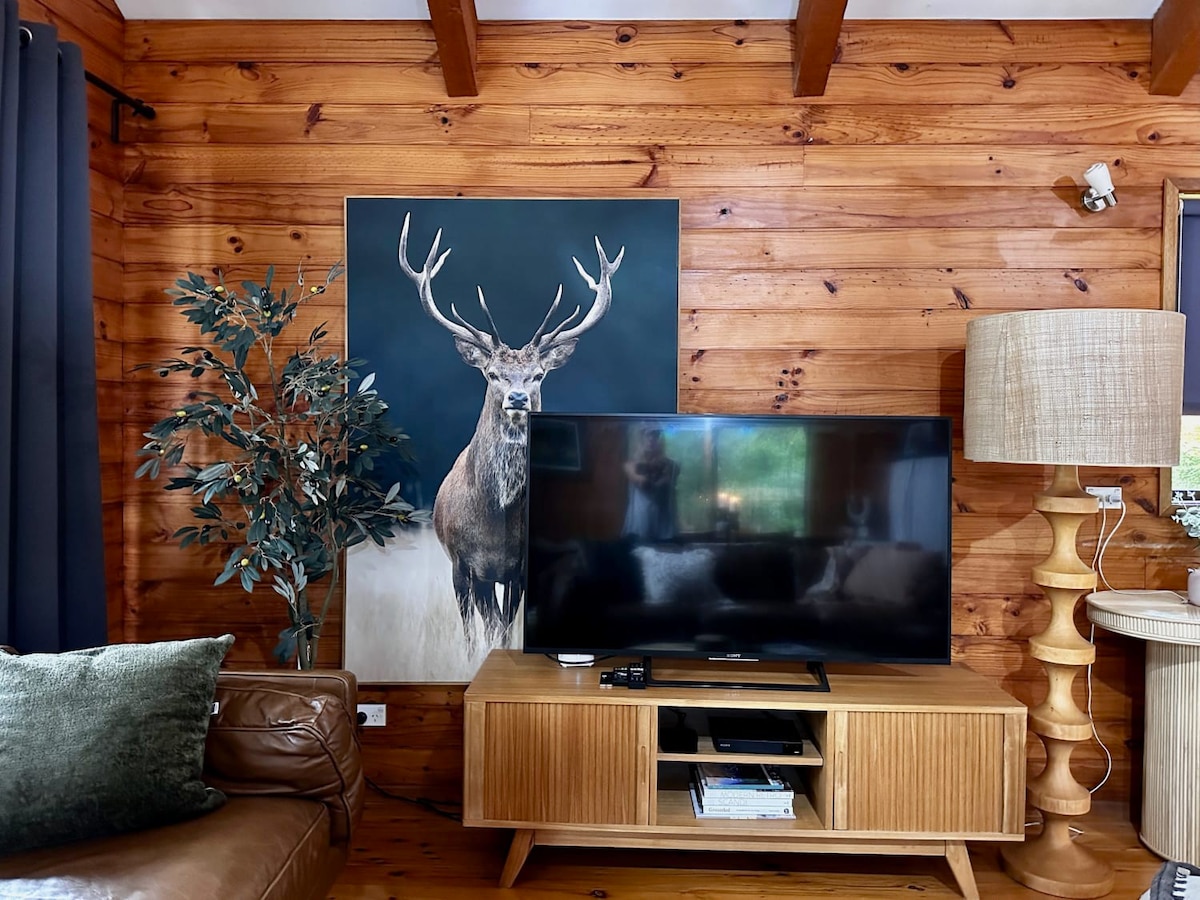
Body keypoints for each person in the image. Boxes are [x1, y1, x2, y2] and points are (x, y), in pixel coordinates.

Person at [622, 427, 679, 541]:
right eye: (648, 435)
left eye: (656, 435)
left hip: (662, 527)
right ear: (641, 438)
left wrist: (659, 473)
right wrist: (642, 475)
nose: (651, 439)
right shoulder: (630, 465)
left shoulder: (670, 464)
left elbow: (666, 480)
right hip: (640, 525)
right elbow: (639, 480)